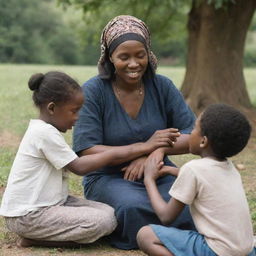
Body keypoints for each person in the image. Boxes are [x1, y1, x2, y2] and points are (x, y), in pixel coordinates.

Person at [73, 15, 196, 249]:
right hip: (107, 177)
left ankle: (165, 236)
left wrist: (155, 152)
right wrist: (142, 147)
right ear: (110, 57)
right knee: (133, 207)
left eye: (140, 55)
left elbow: (193, 135)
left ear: (148, 54)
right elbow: (87, 150)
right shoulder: (93, 92)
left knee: (188, 202)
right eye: (124, 57)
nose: (133, 64)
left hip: (158, 172)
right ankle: (159, 237)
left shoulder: (162, 87)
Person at [0, 71, 162, 248]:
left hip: (51, 204)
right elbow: (79, 167)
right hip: (29, 216)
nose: (77, 118)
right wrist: (139, 147)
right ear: (52, 108)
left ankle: (49, 235)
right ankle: (34, 239)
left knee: (109, 213)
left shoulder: (45, 130)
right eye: (74, 111)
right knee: (103, 221)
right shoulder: (44, 133)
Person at [137, 103, 255, 256]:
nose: (190, 133)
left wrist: (149, 180)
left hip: (217, 251)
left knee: (145, 235)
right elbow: (205, 180)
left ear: (203, 141)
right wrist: (169, 170)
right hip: (247, 249)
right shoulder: (230, 168)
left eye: (194, 129)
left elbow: (166, 216)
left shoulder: (192, 168)